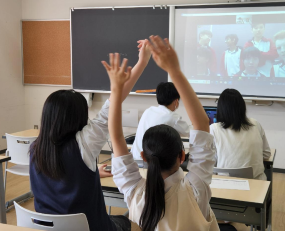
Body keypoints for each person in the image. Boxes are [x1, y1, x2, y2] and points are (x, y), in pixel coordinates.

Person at [29, 40, 151, 231]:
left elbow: (60, 177)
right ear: (77, 118)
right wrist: (142, 62)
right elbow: (114, 102)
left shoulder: (35, 148)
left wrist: (91, 172)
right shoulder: (83, 143)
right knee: (132, 223)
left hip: (45, 229)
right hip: (90, 228)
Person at [109, 35, 220, 231]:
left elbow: (117, 139)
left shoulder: (135, 193)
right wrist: (174, 70)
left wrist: (116, 91)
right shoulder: (195, 192)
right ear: (182, 156)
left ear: (143, 156)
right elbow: (202, 124)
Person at [210, 89, 271, 180]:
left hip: (224, 184)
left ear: (221, 108)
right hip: (256, 184)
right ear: (242, 107)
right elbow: (266, 154)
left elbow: (211, 162)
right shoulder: (255, 124)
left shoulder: (214, 128)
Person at [130, 81, 189, 160]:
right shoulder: (172, 117)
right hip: (153, 163)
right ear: (176, 101)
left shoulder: (148, 110)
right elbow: (190, 133)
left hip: (135, 157)